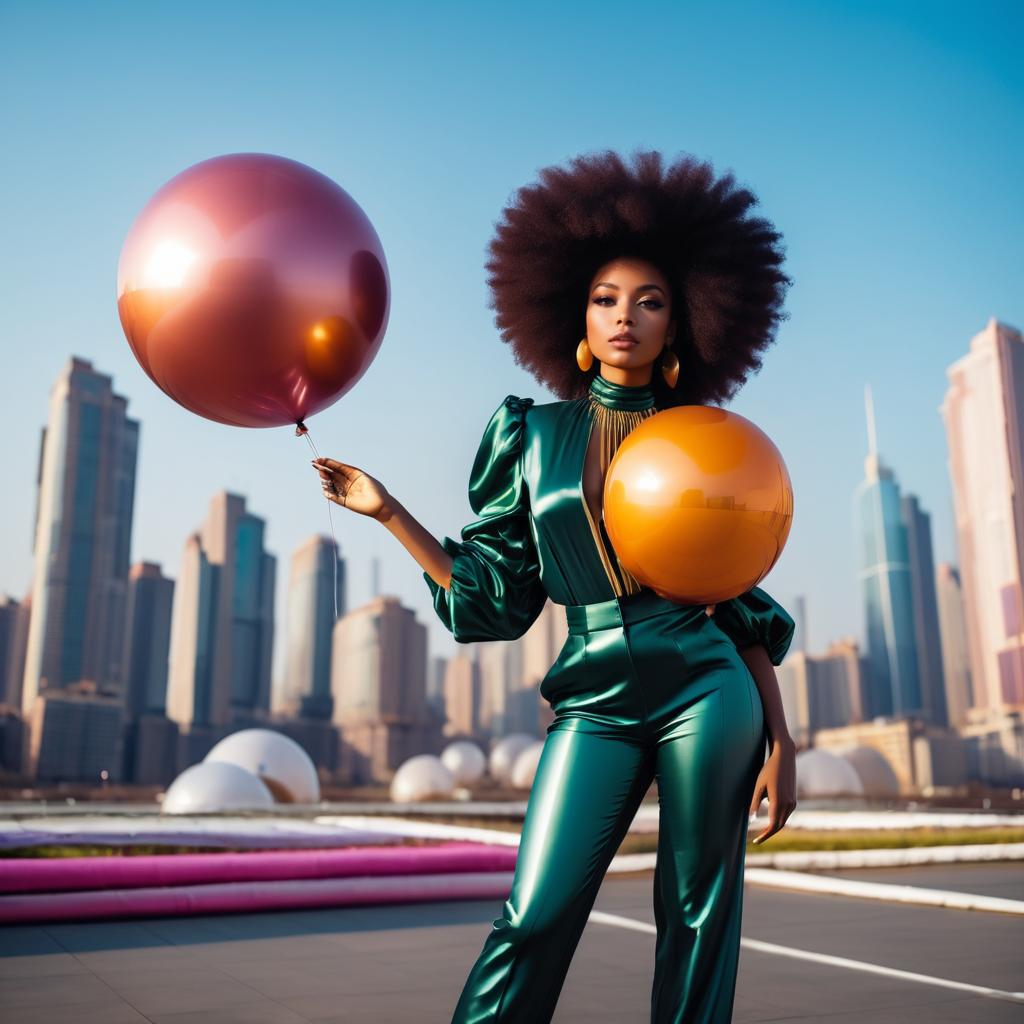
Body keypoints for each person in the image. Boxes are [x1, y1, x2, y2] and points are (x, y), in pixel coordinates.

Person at [312, 149, 798, 1024]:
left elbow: (742, 608)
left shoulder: (704, 438)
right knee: (532, 916)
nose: (625, 318)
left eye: (650, 302)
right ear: (575, 314)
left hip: (709, 683)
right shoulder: (531, 435)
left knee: (698, 918)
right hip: (594, 692)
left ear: (680, 322)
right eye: (607, 299)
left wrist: (784, 740)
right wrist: (390, 513)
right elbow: (496, 595)